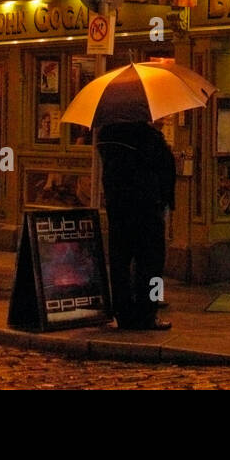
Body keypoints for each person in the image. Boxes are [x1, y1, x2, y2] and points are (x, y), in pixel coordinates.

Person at [97, 118, 176, 331]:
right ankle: (148, 313)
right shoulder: (149, 137)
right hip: (147, 208)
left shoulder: (106, 134)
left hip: (117, 208)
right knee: (152, 265)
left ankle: (123, 314)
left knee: (119, 262)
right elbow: (165, 168)